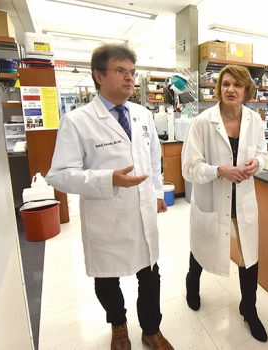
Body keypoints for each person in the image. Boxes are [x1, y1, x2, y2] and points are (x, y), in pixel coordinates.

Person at [46, 44, 173, 350]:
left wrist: (156, 192)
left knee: (150, 277)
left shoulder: (143, 115)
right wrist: (107, 179)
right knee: (107, 280)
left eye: (132, 72)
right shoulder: (77, 121)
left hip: (142, 212)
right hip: (106, 216)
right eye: (121, 71)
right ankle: (118, 326)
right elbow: (59, 174)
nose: (130, 78)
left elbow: (154, 159)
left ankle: (151, 330)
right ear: (98, 76)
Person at [181, 65, 268, 342]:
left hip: (242, 201)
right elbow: (189, 168)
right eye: (226, 84)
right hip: (213, 199)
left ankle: (249, 309)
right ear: (218, 88)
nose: (231, 89)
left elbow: (263, 154)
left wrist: (258, 163)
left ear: (246, 90)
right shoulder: (202, 122)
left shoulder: (255, 120)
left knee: (249, 257)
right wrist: (219, 170)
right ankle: (192, 281)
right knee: (203, 244)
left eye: (237, 85)